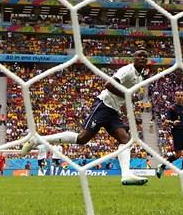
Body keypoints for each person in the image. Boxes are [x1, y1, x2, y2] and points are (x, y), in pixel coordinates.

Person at [21, 50, 151, 186]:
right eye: (139, 55)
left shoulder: (139, 78)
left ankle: (126, 175)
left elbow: (123, 100)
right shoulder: (127, 70)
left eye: (144, 56)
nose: (142, 58)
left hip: (113, 111)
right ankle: (37, 140)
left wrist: (130, 114)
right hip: (103, 105)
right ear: (133, 58)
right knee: (82, 138)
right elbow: (109, 85)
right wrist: (126, 94)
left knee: (125, 140)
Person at [155, 91, 183, 178]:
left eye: (181, 95)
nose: (180, 97)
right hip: (177, 131)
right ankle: (162, 166)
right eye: (178, 95)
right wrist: (172, 122)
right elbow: (165, 121)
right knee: (178, 154)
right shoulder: (172, 108)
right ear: (175, 97)